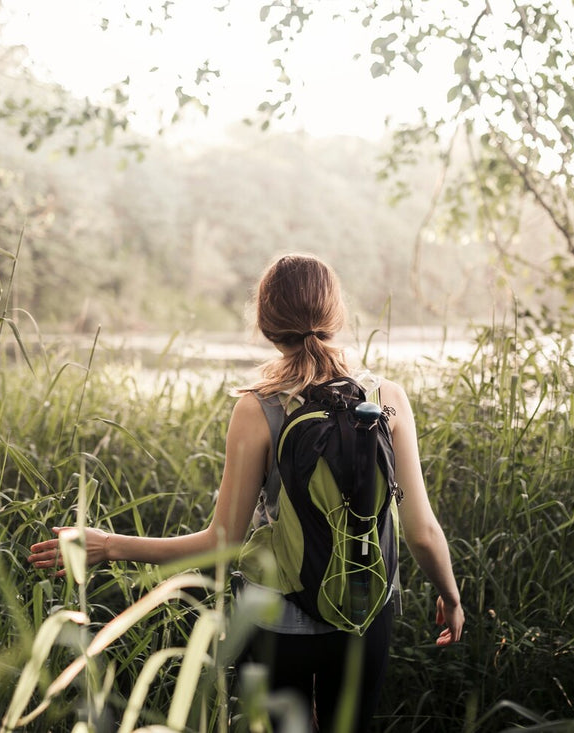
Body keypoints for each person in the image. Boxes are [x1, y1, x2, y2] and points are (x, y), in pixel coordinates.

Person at [28, 253, 464, 731]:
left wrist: (109, 546)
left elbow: (222, 542)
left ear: (264, 324)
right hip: (365, 613)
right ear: (337, 315)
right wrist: (451, 595)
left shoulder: (258, 408)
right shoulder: (387, 399)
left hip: (279, 619)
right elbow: (421, 531)